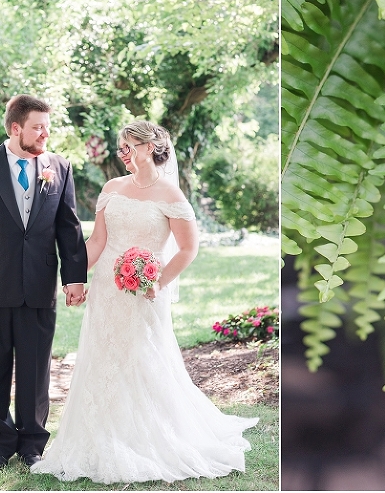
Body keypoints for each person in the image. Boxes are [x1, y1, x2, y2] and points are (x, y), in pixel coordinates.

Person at [30, 121, 258, 484]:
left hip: (144, 292)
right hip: (106, 289)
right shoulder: (112, 188)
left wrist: (158, 281)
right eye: (120, 148)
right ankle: (98, 438)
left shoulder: (170, 195)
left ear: (149, 146)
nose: (122, 154)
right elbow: (97, 241)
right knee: (102, 359)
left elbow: (188, 248)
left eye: (128, 146)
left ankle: (146, 438)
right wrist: (75, 276)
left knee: (143, 359)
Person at [0, 94, 88, 470]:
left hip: (40, 284)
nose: (45, 133)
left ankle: (32, 443)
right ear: (16, 129)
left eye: (47, 126)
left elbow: (69, 226)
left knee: (35, 368)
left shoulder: (59, 166)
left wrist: (74, 277)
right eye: (38, 127)